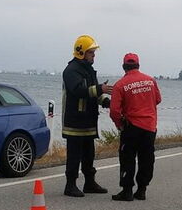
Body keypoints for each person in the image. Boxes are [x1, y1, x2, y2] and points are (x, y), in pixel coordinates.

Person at [61, 34, 113, 197]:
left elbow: (94, 92)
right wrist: (100, 89)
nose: (94, 56)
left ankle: (89, 183)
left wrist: (106, 101)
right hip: (75, 121)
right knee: (74, 155)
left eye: (94, 52)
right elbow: (78, 91)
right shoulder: (71, 71)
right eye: (91, 52)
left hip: (89, 120)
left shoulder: (89, 70)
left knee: (89, 154)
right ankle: (70, 185)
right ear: (81, 52)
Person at [109, 53, 162, 201]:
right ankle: (142, 189)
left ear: (124, 66)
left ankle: (127, 191)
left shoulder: (120, 85)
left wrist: (119, 124)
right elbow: (158, 99)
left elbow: (114, 111)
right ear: (138, 65)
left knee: (128, 158)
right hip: (149, 127)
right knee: (147, 158)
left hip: (131, 127)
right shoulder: (150, 81)